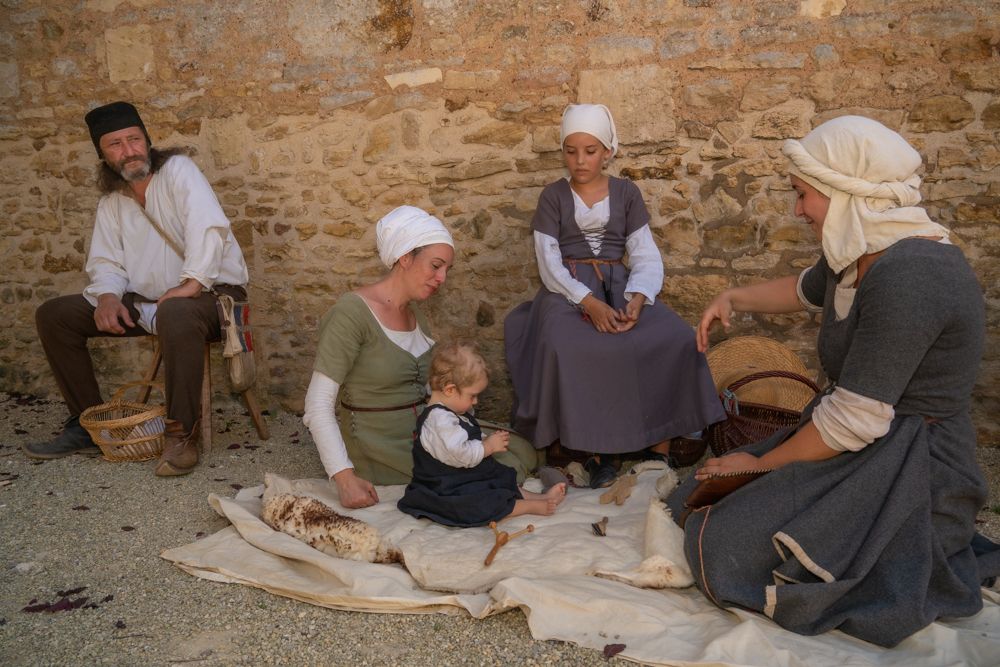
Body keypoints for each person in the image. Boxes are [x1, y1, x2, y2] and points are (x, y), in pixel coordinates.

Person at [666, 115, 1000, 647]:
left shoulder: (912, 275)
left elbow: (854, 419)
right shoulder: (861, 250)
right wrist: (731, 298)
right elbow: (805, 288)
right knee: (703, 491)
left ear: (846, 195)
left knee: (727, 544)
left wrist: (759, 462)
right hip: (861, 437)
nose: (797, 210)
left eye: (804, 195)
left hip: (915, 462)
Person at [504, 103, 724, 488]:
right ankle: (592, 451)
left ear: (607, 152)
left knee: (673, 338)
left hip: (618, 283)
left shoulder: (626, 193)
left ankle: (659, 447)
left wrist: (638, 297)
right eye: (571, 151)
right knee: (571, 346)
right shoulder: (553, 196)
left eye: (590, 151)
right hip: (566, 292)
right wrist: (586, 301)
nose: (580, 160)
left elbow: (643, 251)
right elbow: (549, 263)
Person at [25, 101, 249, 477]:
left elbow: (207, 227)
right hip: (150, 305)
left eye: (134, 139)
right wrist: (108, 297)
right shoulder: (112, 202)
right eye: (116, 144)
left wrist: (192, 283)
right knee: (55, 315)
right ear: (102, 153)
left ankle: (181, 435)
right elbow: (106, 262)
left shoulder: (178, 171)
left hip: (211, 300)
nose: (128, 150)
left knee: (176, 312)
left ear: (147, 141)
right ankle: (85, 424)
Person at [303, 206, 540, 509]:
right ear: (405, 257)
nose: (441, 278)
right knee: (504, 466)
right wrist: (344, 477)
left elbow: (432, 389)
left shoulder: (415, 314)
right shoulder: (350, 314)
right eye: (435, 266)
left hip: (428, 429)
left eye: (446, 270)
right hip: (380, 444)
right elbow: (317, 405)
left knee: (520, 446)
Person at [398, 341, 567, 527]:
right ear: (450, 390)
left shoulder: (451, 411)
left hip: (465, 477)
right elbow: (460, 453)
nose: (476, 401)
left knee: (499, 479)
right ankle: (528, 507)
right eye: (472, 396)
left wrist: (487, 440)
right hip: (448, 488)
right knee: (484, 502)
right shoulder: (440, 421)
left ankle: (540, 497)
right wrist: (488, 447)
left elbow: (465, 439)